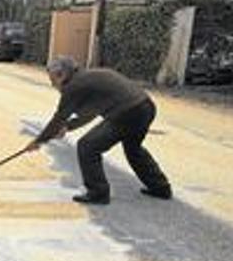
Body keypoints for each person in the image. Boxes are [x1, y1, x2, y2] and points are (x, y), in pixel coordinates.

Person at [26, 56, 172, 205]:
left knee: (87, 146)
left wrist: (39, 141)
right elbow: (90, 113)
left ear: (61, 75)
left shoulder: (73, 86)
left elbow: (59, 118)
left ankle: (98, 193)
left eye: (52, 81)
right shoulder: (89, 77)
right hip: (145, 107)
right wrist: (68, 127)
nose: (53, 85)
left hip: (126, 113)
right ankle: (160, 187)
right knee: (133, 149)